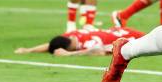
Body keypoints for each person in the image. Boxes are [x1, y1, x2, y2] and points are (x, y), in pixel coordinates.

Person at [14, 27, 145, 56]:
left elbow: (98, 51)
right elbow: (51, 45)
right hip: (119, 30)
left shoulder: (87, 44)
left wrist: (69, 55)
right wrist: (28, 50)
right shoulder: (71, 35)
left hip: (134, 38)